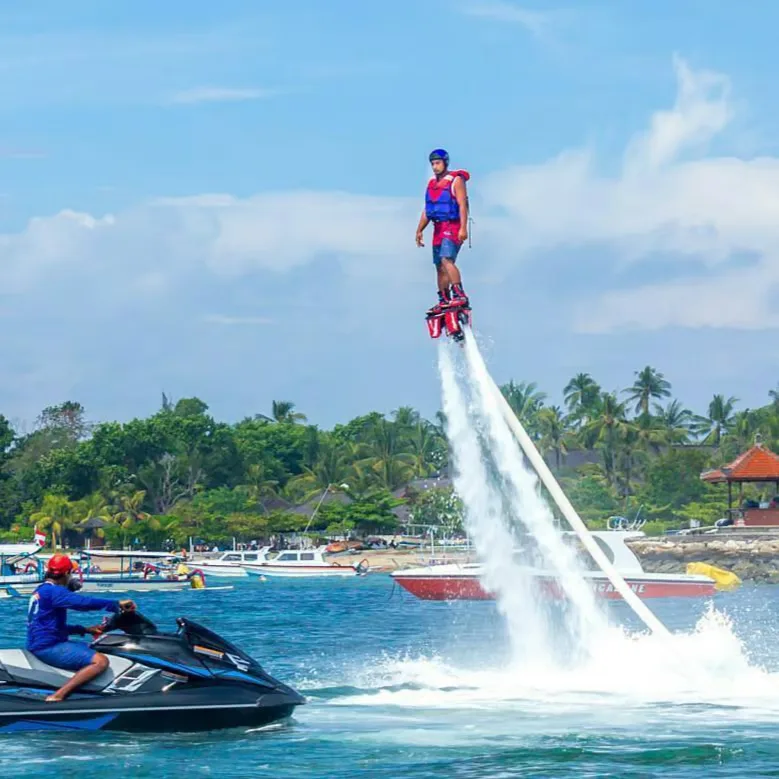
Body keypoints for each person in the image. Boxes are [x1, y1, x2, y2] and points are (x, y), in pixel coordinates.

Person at [26, 554, 136, 702]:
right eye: (71, 573)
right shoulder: (55, 591)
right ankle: (58, 696)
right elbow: (82, 603)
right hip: (48, 647)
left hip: (43, 643)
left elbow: (50, 627)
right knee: (100, 661)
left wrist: (84, 630)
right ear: (66, 573)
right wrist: (116, 604)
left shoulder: (42, 590)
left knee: (98, 647)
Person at [415, 149, 470, 314]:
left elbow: (462, 205)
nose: (434, 166)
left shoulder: (456, 180)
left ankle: (459, 294)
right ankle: (444, 299)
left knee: (447, 260)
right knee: (439, 266)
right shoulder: (432, 184)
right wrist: (419, 230)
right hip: (437, 227)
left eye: (437, 163)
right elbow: (428, 210)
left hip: (452, 226)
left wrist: (463, 228)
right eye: (432, 163)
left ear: (445, 163)